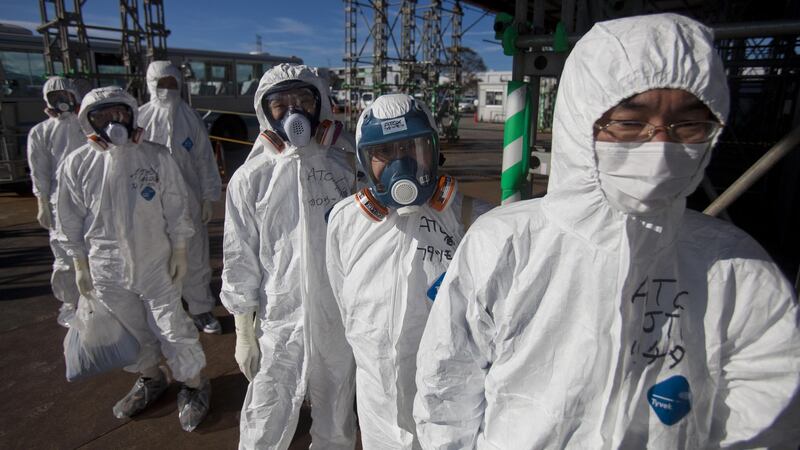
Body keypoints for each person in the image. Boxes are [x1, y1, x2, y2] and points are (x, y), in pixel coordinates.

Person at [413, 13, 800, 449]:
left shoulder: (737, 270)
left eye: (687, 125)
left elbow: (766, 421)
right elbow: (448, 389)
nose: (660, 148)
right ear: (581, 122)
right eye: (630, 123)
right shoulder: (505, 242)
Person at [326, 93, 491, 449]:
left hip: (450, 409)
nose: (400, 164)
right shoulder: (345, 223)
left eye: (411, 148)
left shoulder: (475, 221)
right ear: (365, 161)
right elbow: (345, 305)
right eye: (383, 153)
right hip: (376, 404)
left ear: (434, 150)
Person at [56, 85, 211, 432]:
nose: (114, 122)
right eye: (103, 116)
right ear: (88, 122)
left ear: (132, 115)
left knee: (172, 327)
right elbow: (68, 220)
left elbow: (175, 207)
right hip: (106, 269)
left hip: (156, 263)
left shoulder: (156, 157)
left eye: (120, 113)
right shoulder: (77, 164)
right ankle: (150, 378)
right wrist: (79, 264)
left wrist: (181, 250)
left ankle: (194, 383)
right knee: (131, 330)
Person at [221, 64, 359, 449]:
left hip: (337, 318)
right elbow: (239, 257)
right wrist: (244, 331)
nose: (293, 111)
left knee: (336, 418)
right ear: (265, 111)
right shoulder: (252, 178)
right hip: (279, 320)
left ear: (321, 107)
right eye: (280, 104)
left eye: (303, 100)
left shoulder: (344, 167)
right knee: (265, 415)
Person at [138, 60, 223, 335]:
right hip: (151, 205)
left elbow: (204, 160)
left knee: (195, 256)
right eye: (161, 84)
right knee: (156, 256)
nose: (167, 89)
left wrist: (209, 196)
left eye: (172, 84)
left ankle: (199, 308)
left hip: (188, 201)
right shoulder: (139, 119)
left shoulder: (190, 119)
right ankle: (167, 312)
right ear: (151, 85)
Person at [27, 76, 86, 326]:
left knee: (97, 254)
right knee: (64, 257)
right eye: (56, 98)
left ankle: (100, 301)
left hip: (91, 200)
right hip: (59, 202)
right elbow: (38, 169)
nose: (62, 102)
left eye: (66, 96)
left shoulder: (88, 126)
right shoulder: (41, 132)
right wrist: (42, 201)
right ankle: (71, 302)